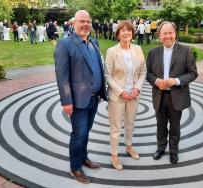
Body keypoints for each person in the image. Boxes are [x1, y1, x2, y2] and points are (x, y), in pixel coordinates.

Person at [54, 10, 107, 183]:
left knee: (86, 131)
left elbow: (97, 68)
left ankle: (83, 158)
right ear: (74, 23)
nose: (85, 24)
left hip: (93, 98)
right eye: (81, 21)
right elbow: (62, 76)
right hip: (77, 101)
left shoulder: (94, 42)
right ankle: (75, 168)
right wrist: (66, 101)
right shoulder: (65, 44)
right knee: (78, 134)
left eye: (88, 21)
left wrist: (99, 91)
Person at [146, 21, 198, 164]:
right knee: (160, 126)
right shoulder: (153, 53)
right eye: (164, 33)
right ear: (159, 35)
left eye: (170, 33)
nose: (167, 36)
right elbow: (148, 74)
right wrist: (156, 81)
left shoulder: (186, 51)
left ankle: (174, 151)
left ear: (175, 34)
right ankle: (161, 148)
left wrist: (176, 81)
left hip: (177, 96)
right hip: (160, 96)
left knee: (175, 127)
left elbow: (193, 73)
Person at [105, 20, 146, 170]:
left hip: (134, 95)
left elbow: (143, 71)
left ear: (132, 33)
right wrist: (121, 91)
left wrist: (137, 88)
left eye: (129, 30)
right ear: (118, 34)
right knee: (116, 128)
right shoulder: (111, 52)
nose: (126, 32)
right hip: (118, 96)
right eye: (123, 30)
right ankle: (114, 156)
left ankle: (129, 147)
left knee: (130, 125)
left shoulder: (138, 49)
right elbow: (107, 76)